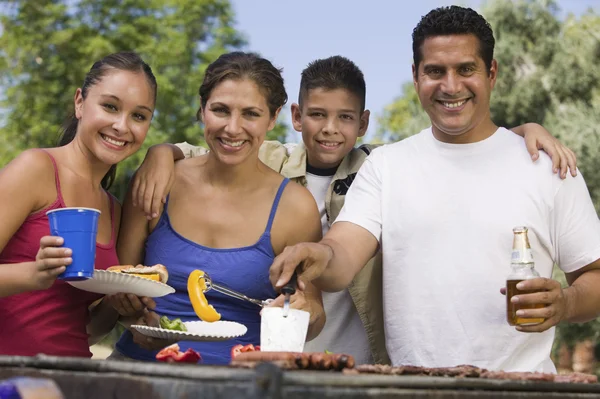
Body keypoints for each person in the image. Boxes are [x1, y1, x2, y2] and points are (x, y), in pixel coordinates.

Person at [130, 51, 578, 366]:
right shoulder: (271, 159)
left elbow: (454, 152)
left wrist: (522, 131)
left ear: (363, 122)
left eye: (345, 117)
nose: (330, 129)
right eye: (318, 115)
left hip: (355, 353)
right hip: (281, 353)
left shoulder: (382, 167)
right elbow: (211, 149)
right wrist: (160, 151)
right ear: (295, 117)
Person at [269, 5, 600, 373]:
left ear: (491, 73)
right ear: (415, 76)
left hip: (522, 389)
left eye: (466, 69)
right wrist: (317, 255)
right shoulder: (387, 166)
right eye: (435, 71)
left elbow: (594, 275)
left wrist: (566, 304)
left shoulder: (547, 166)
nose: (451, 86)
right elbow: (342, 253)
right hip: (414, 390)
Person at [111, 52, 325, 365]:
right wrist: (131, 317)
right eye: (220, 110)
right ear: (202, 109)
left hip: (244, 382)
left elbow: (315, 316)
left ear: (273, 116)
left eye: (251, 114)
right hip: (140, 370)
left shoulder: (295, 207)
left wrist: (306, 312)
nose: (232, 128)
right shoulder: (158, 183)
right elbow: (116, 289)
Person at [0, 52, 158, 357]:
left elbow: (87, 329)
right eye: (110, 107)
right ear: (79, 103)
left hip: (72, 377)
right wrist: (34, 274)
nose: (122, 126)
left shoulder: (114, 208)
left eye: (139, 116)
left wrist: (115, 304)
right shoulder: (36, 168)